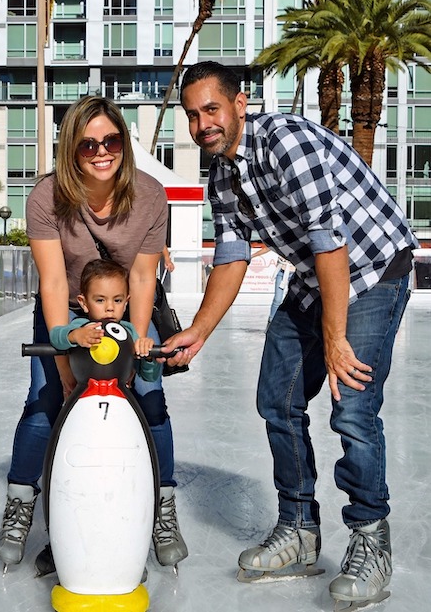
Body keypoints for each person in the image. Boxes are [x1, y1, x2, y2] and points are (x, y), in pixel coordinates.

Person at [163, 61, 418, 608]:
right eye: (192, 115)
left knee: (351, 405)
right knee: (276, 399)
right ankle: (300, 529)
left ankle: (371, 539)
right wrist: (199, 332)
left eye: (211, 108)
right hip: (314, 276)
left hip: (373, 270)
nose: (202, 123)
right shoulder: (223, 176)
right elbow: (232, 254)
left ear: (240, 103)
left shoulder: (285, 142)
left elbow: (330, 243)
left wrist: (335, 339)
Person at [0, 96, 188, 574]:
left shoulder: (149, 195)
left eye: (112, 140)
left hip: (123, 306)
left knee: (148, 394)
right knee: (44, 399)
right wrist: (64, 364)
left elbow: (142, 279)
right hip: (69, 307)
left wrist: (137, 344)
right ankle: (21, 503)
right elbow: (55, 282)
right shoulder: (45, 198)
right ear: (70, 150)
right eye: (87, 144)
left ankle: (162, 507)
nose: (102, 151)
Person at [49, 258, 161, 387]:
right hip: (84, 395)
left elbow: (150, 377)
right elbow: (55, 336)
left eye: (118, 300)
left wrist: (148, 356)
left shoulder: (128, 332)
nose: (110, 307)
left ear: (126, 303)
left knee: (153, 405)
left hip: (119, 396)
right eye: (100, 300)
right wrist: (73, 336)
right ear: (84, 303)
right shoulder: (81, 326)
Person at [251, 246, 295, 324]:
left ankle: (291, 321)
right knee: (277, 299)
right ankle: (271, 320)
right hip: (281, 270)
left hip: (295, 273)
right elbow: (267, 248)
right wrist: (251, 256)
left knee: (292, 299)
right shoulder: (280, 241)